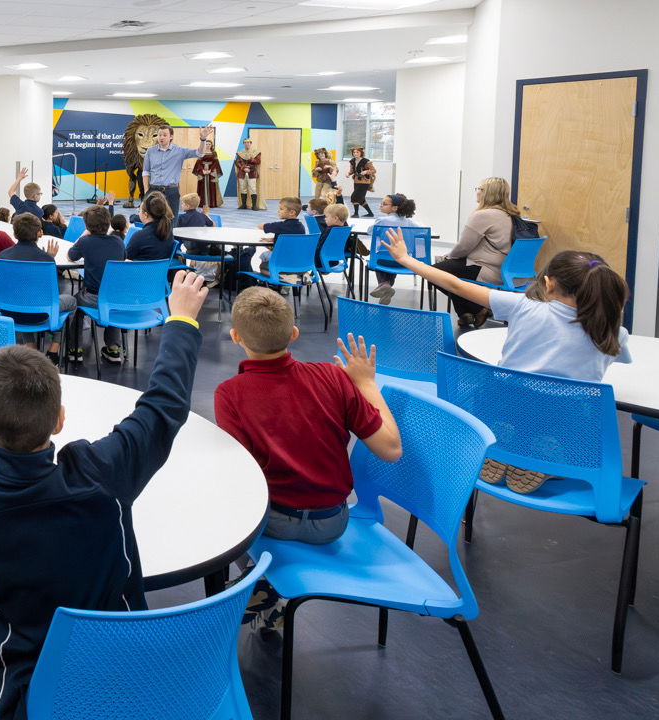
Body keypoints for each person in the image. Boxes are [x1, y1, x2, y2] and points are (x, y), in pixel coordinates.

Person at [0, 273, 207, 720]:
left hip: (23, 681)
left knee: (1, 633)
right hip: (122, 661)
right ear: (60, 419)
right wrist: (181, 320)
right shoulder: (103, 472)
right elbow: (163, 407)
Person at [382, 229, 630, 492]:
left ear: (549, 284)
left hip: (501, 404)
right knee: (574, 409)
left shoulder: (522, 306)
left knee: (512, 394)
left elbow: (455, 285)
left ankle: (503, 441)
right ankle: (547, 452)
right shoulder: (613, 331)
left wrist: (406, 259)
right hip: (563, 418)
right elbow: (613, 361)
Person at [213, 287, 401, 632]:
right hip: (332, 523)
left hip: (272, 522)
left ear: (236, 336)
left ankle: (260, 578)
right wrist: (366, 383)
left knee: (218, 505)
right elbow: (390, 448)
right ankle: (268, 590)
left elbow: (240, 476)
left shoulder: (230, 394)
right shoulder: (333, 378)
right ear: (294, 334)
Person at [434, 178, 519, 326]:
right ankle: (466, 314)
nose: (477, 191)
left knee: (434, 273)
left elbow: (463, 247)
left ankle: (478, 308)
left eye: (480, 188)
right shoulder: (511, 214)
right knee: (453, 276)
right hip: (507, 270)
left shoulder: (483, 215)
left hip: (485, 269)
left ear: (487, 193)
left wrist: (447, 257)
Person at [0, 213, 76, 364]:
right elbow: (50, 292)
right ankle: (54, 348)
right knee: (72, 301)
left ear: (14, 233)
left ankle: (30, 346)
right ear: (39, 233)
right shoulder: (46, 259)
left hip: (9, 311)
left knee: (23, 298)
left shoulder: (3, 255)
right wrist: (51, 259)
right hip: (40, 314)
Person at [66, 205, 126, 364]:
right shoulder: (118, 242)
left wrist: (83, 235)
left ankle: (75, 348)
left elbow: (71, 256)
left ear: (87, 226)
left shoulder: (86, 241)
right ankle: (113, 349)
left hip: (92, 296)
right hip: (116, 297)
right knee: (110, 299)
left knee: (76, 303)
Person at [140, 125, 213, 215]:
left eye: (164, 135)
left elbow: (200, 153)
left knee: (172, 218)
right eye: (159, 135)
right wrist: (146, 191)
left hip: (171, 191)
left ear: (171, 136)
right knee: (153, 218)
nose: (161, 137)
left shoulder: (179, 151)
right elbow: (145, 172)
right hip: (154, 190)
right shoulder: (150, 151)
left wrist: (203, 139)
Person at [366, 192, 419, 305]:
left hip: (383, 261)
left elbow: (370, 231)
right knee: (395, 256)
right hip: (403, 262)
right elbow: (422, 232)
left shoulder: (382, 221)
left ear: (395, 208)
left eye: (384, 204)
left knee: (381, 257)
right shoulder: (411, 223)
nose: (380, 205)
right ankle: (386, 287)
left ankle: (384, 285)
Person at [125, 191, 174, 262]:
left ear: (145, 214)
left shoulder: (139, 236)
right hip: (161, 272)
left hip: (140, 272)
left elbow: (126, 258)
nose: (138, 212)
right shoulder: (168, 232)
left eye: (139, 210)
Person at [191, 139, 225, 209]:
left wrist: (210, 170)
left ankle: (212, 203)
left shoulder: (214, 153)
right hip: (202, 171)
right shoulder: (201, 152)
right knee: (202, 186)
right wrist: (202, 170)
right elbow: (198, 163)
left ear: (211, 145)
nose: (208, 145)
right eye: (206, 144)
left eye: (209, 144)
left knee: (212, 186)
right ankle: (202, 203)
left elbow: (216, 163)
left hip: (211, 172)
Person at [345, 146, 375, 217]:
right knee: (361, 199)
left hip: (364, 182)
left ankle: (356, 214)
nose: (355, 154)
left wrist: (366, 171)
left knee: (354, 197)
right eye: (354, 152)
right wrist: (348, 174)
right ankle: (370, 213)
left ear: (361, 153)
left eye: (357, 152)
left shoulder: (366, 161)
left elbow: (374, 170)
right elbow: (352, 170)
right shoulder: (352, 161)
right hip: (356, 181)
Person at [234, 138, 262, 210]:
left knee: (253, 189)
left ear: (251, 143)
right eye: (245, 142)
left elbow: (258, 161)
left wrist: (251, 159)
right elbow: (237, 162)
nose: (247, 144)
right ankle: (243, 205)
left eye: (248, 142)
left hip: (252, 172)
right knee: (243, 189)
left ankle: (254, 205)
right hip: (242, 173)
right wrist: (243, 168)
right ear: (243, 144)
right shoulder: (240, 153)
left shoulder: (255, 152)